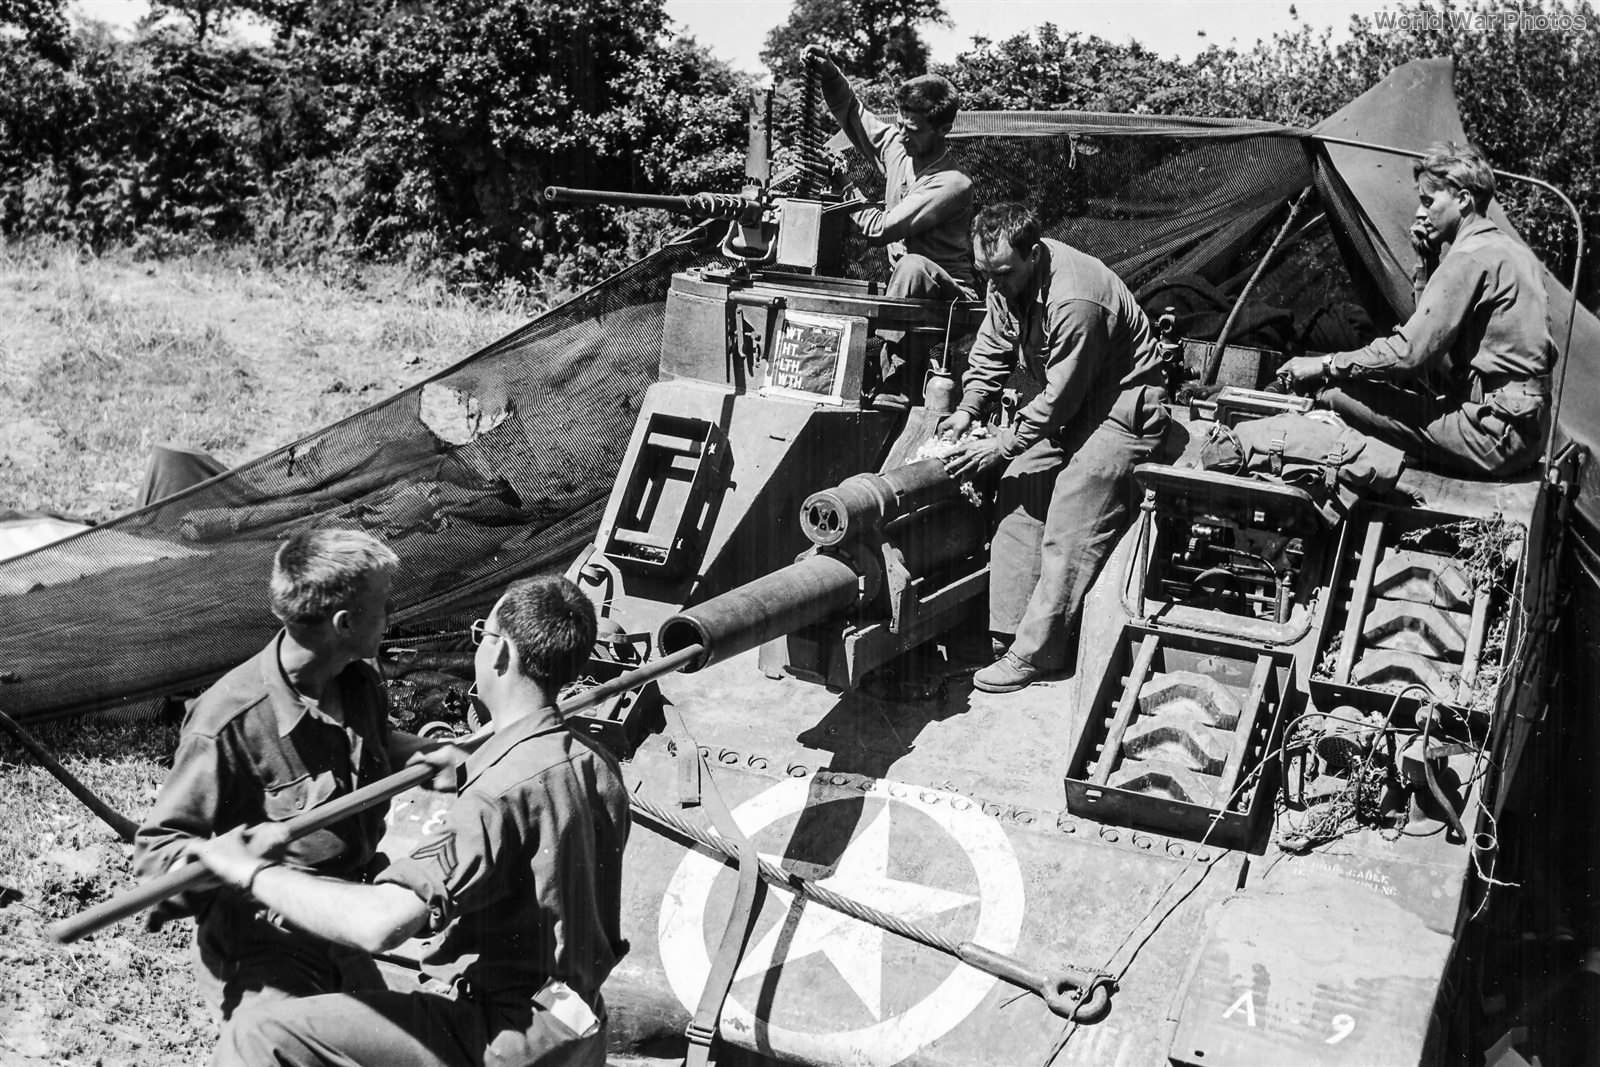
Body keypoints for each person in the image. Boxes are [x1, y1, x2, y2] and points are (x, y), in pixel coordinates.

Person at [192, 575, 631, 1067]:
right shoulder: (597, 766)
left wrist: (251, 871)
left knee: (262, 1033)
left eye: (482, 633)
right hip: (574, 1023)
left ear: (501, 653)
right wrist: (457, 763)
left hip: (499, 1037)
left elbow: (379, 923)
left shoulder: (492, 799)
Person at [133, 528, 441, 1024]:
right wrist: (230, 856)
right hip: (264, 946)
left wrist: (430, 756)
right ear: (344, 623)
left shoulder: (358, 681)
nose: (392, 617)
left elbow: (372, 745)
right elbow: (157, 857)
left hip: (339, 919)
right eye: (384, 606)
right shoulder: (227, 722)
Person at [941, 203, 1170, 693]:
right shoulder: (1004, 276)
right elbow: (993, 346)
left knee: (1072, 513)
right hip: (1066, 411)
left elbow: (1061, 396)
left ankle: (1037, 654)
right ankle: (1006, 633)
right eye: (986, 274)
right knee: (1018, 484)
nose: (994, 285)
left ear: (1034, 253)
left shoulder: (1075, 298)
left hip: (1120, 415)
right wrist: (967, 409)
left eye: (1002, 274)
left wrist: (1003, 441)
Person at [1279, 141, 1553, 477]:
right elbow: (1431, 337)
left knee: (1335, 392)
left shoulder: (1468, 258)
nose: (1420, 213)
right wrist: (1426, 264)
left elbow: (1409, 355)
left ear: (1463, 200)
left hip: (1490, 433)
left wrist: (1325, 364)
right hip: (1523, 431)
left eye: (1428, 201)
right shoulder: (1510, 251)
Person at [802, 45, 976, 408]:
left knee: (912, 265)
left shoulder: (950, 183)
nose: (901, 133)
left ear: (943, 129)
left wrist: (845, 186)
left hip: (950, 303)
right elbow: (852, 112)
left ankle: (892, 377)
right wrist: (829, 72)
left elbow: (881, 229)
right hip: (906, 298)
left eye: (911, 128)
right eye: (898, 122)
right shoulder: (899, 147)